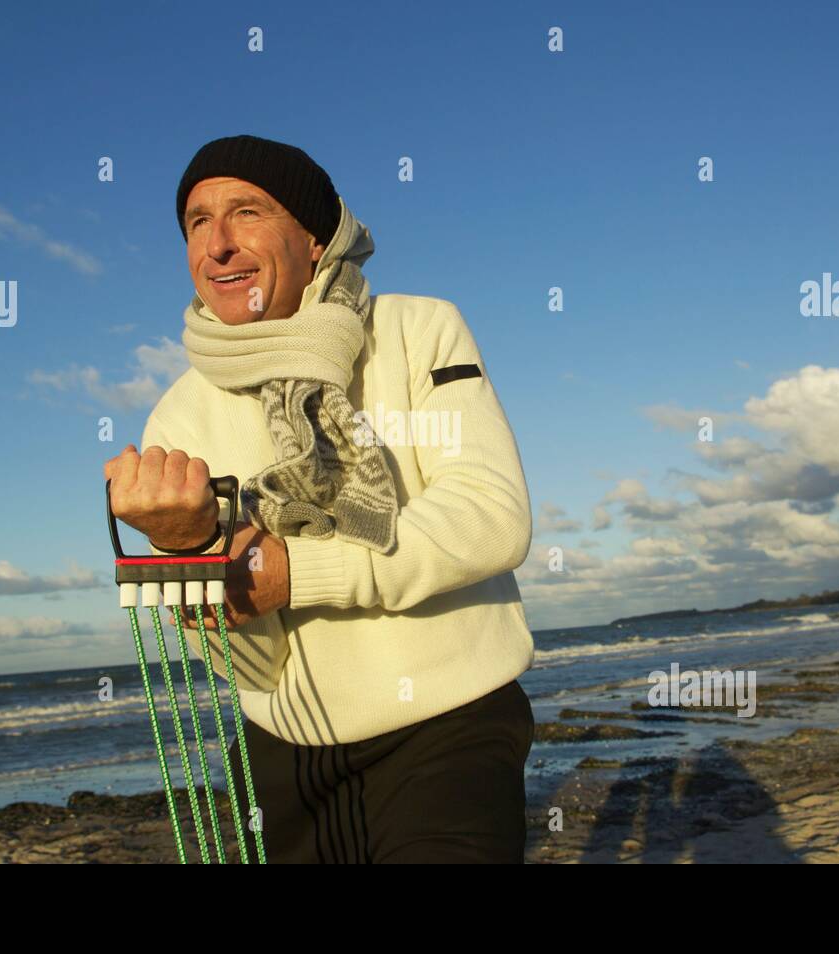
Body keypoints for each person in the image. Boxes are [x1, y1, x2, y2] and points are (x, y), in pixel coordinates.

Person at [103, 134, 536, 863]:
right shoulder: (176, 422)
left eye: (246, 211)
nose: (219, 245)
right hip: (286, 750)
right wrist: (188, 553)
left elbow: (492, 516)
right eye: (197, 223)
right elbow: (252, 665)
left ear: (314, 238)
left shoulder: (417, 329)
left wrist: (296, 574)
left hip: (454, 727)